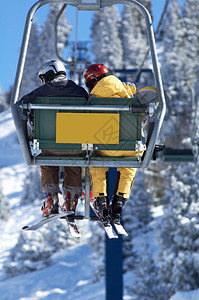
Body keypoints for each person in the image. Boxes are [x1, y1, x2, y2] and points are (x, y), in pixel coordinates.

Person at [83, 63, 157, 225]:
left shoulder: (92, 99)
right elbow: (153, 94)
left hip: (104, 146)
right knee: (128, 167)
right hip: (129, 146)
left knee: (95, 164)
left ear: (93, 81)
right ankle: (119, 202)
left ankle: (101, 200)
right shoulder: (128, 94)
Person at [18, 60, 88, 221]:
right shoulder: (80, 91)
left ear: (50, 73)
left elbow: (20, 106)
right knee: (75, 164)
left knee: (48, 163)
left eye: (43, 77)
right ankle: (71, 199)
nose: (43, 81)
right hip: (76, 145)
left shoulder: (39, 93)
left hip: (50, 144)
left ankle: (52, 197)